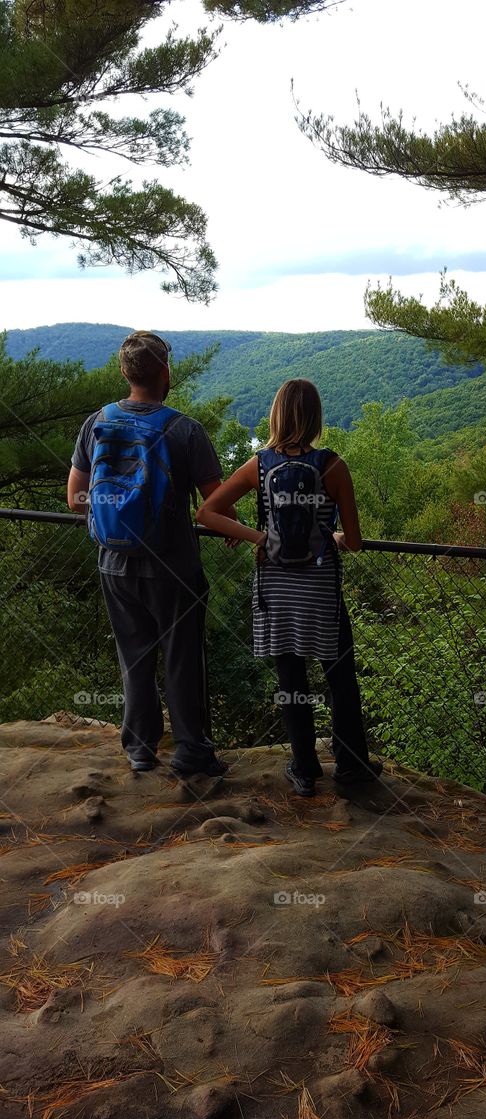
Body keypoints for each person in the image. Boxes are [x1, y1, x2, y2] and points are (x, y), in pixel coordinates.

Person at [196, 378, 381, 796]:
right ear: (315, 418)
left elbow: (207, 511)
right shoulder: (333, 466)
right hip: (320, 588)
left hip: (276, 585)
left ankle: (304, 767)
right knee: (340, 676)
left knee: (290, 677)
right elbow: (353, 540)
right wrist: (331, 537)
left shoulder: (258, 465)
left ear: (277, 414)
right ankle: (351, 768)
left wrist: (258, 537)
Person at [67, 330, 233, 776]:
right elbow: (215, 503)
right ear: (165, 372)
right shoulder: (185, 429)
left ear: (124, 372)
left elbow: (75, 498)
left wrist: (116, 514)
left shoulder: (97, 422)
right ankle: (191, 752)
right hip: (173, 565)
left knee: (134, 656)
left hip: (114, 564)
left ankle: (139, 749)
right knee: (181, 657)